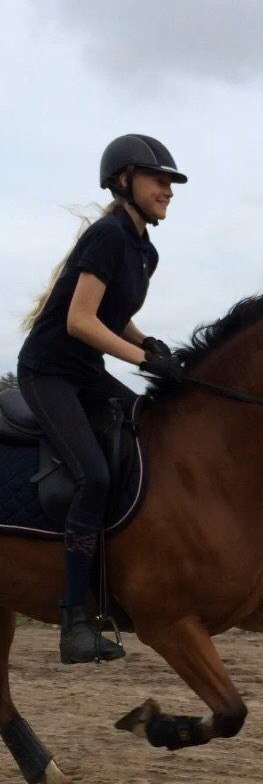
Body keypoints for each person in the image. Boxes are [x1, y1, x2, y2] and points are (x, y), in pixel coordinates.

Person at [17, 134, 186, 664]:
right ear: (123, 181)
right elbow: (79, 320)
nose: (168, 190)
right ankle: (73, 619)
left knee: (147, 429)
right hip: (49, 374)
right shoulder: (108, 236)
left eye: (171, 183)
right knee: (95, 474)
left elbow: (112, 314)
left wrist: (146, 342)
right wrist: (140, 362)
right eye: (159, 179)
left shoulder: (144, 249)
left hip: (85, 372)